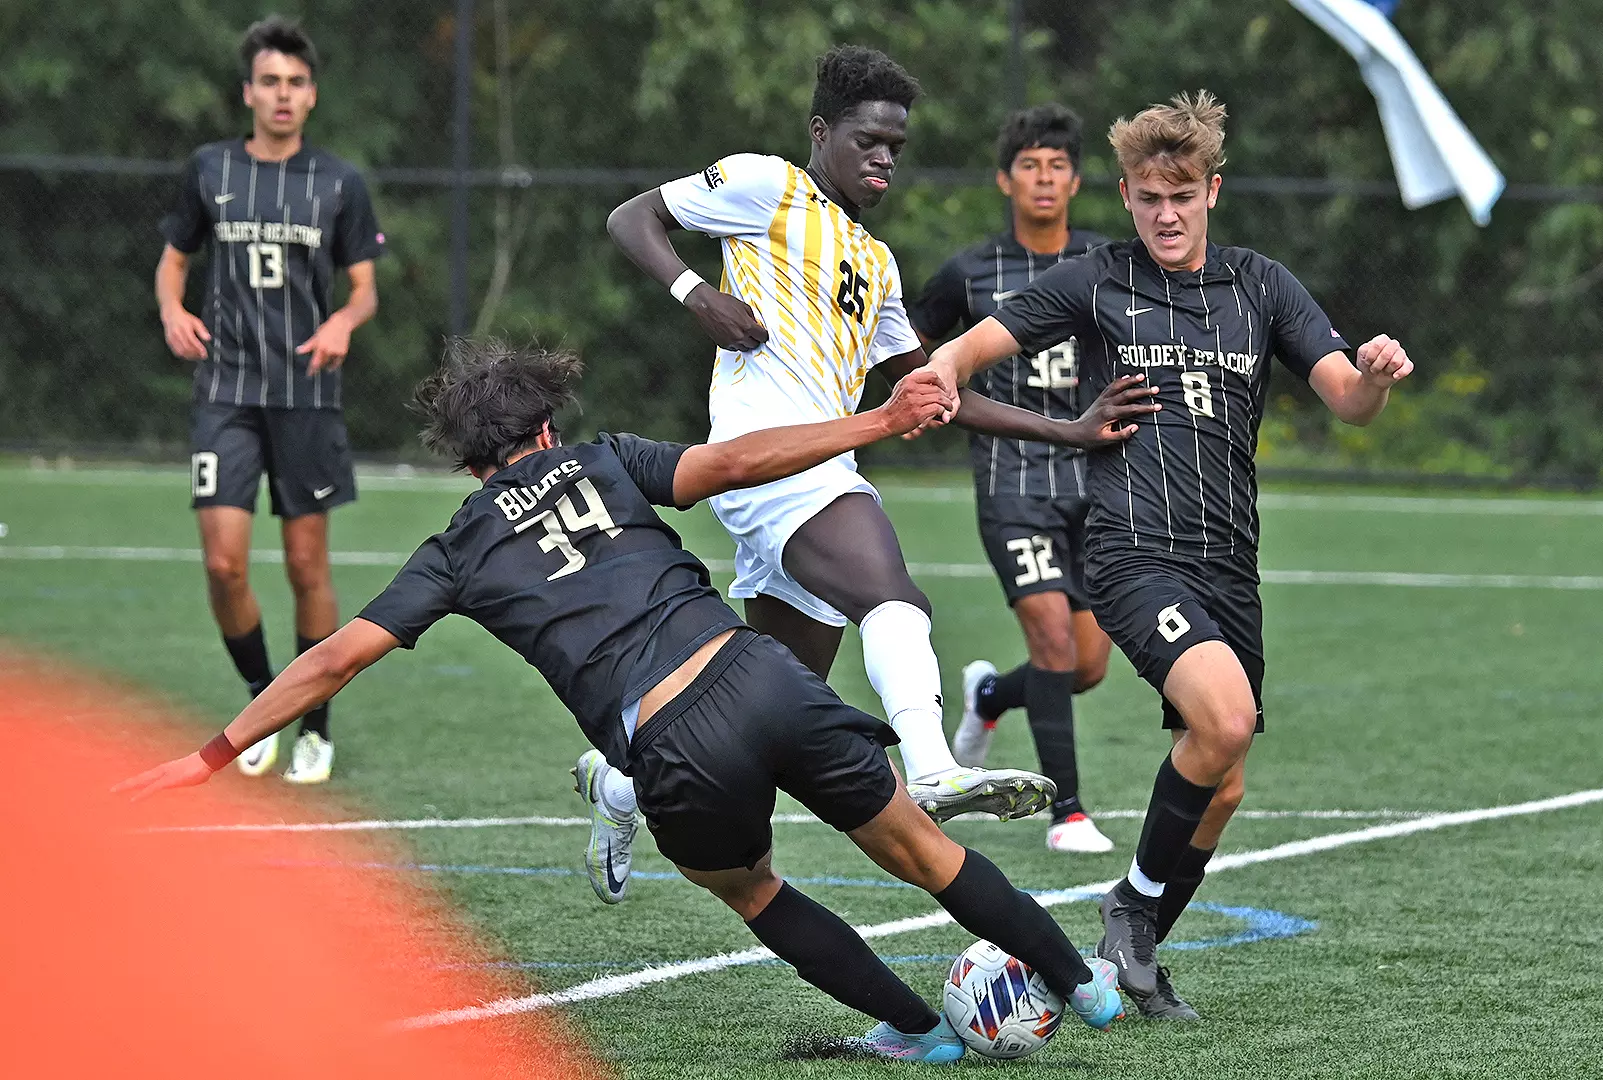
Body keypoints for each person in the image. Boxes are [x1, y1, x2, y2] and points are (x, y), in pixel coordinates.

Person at [117, 340, 1125, 1062]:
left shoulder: (458, 546)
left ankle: (915, 1033)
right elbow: (732, 462)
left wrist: (208, 754)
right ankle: (1085, 986)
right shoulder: (602, 457)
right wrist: (882, 422)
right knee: (921, 848)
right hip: (757, 672)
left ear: (470, 462)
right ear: (546, 425)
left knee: (751, 886)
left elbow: (335, 658)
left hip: (672, 743)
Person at [922, 92, 1413, 1020]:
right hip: (1134, 551)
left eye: (1182, 194)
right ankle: (1131, 917)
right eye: (1149, 197)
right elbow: (971, 349)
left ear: (1212, 191)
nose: (1166, 213)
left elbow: (1346, 396)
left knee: (1221, 781)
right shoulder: (1096, 279)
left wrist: (1377, 378)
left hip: (1230, 563)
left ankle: (1135, 935)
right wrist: (940, 374)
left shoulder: (1260, 285)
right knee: (1222, 721)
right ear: (1128, 195)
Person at [606, 46, 1150, 822]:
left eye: (896, 146)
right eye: (869, 141)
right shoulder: (769, 185)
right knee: (895, 598)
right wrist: (697, 295)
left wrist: (1068, 428)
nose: (885, 158)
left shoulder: (876, 262)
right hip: (770, 459)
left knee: (764, 701)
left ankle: (621, 781)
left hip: (813, 467)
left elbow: (930, 389)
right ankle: (932, 766)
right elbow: (632, 217)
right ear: (821, 132)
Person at [154, 15, 384, 785]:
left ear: (310, 95)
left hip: (306, 395)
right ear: (248, 92)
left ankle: (314, 725)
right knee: (223, 565)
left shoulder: (339, 182)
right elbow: (172, 261)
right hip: (225, 392)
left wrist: (344, 325)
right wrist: (172, 309)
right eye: (269, 83)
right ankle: (262, 702)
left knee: (303, 564)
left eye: (294, 83)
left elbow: (363, 292)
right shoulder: (210, 168)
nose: (281, 96)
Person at [910, 104, 1119, 855]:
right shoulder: (970, 271)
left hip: (1095, 485)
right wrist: (924, 395)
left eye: (1057, 165)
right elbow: (906, 341)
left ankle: (990, 695)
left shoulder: (1104, 261)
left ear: (1076, 180)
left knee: (1086, 665)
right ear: (1006, 179)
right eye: (1029, 164)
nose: (1043, 177)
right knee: (1055, 643)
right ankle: (1068, 813)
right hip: (1012, 484)